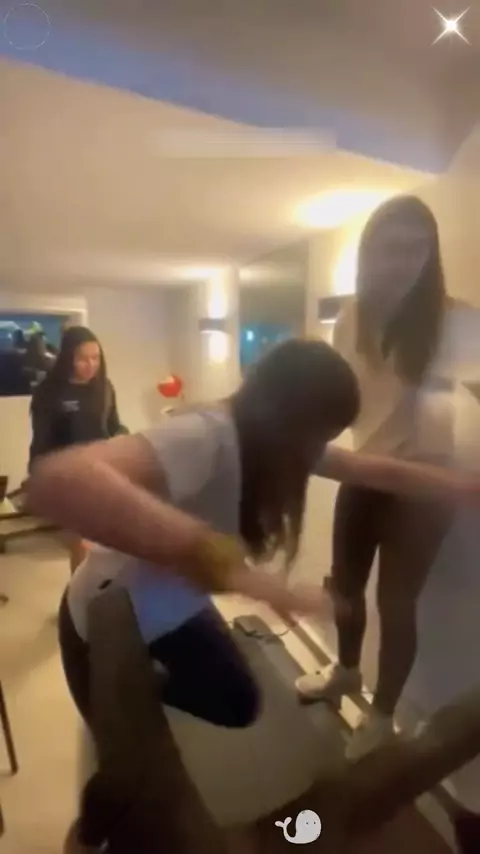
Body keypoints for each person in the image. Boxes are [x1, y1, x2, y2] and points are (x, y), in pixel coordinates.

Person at [28, 336, 480, 853]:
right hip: (103, 630)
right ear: (292, 414)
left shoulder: (279, 442)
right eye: (320, 433)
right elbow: (58, 480)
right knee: (125, 785)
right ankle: (90, 831)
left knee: (238, 702)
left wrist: (465, 486)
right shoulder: (205, 435)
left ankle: (155, 689)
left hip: (171, 614)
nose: (319, 449)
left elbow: (374, 469)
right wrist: (234, 571)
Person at [296, 195, 460, 760]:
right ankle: (345, 672)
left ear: (431, 255)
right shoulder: (351, 318)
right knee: (344, 583)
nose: (403, 262)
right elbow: (344, 396)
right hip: (366, 470)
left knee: (396, 602)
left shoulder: (457, 321)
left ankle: (383, 716)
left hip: (425, 489)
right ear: (369, 253)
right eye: (391, 249)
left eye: (416, 249)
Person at [29, 326, 126, 573]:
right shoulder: (49, 393)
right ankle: (78, 594)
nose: (90, 365)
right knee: (83, 545)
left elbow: (113, 426)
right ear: (68, 357)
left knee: (108, 547)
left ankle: (93, 592)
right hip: (69, 479)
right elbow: (41, 442)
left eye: (95, 358)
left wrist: (124, 439)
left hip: (103, 473)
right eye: (83, 358)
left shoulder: (105, 388)